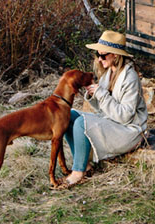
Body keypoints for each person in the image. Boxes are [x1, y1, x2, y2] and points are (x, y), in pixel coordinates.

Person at [61, 30, 148, 186]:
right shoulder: (109, 73)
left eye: (103, 55)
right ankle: (84, 164)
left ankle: (78, 172)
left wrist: (101, 94)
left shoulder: (130, 78)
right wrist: (92, 95)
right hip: (112, 121)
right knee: (69, 115)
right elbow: (102, 109)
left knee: (82, 123)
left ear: (115, 55)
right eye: (97, 55)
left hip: (129, 129)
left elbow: (125, 116)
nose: (99, 59)